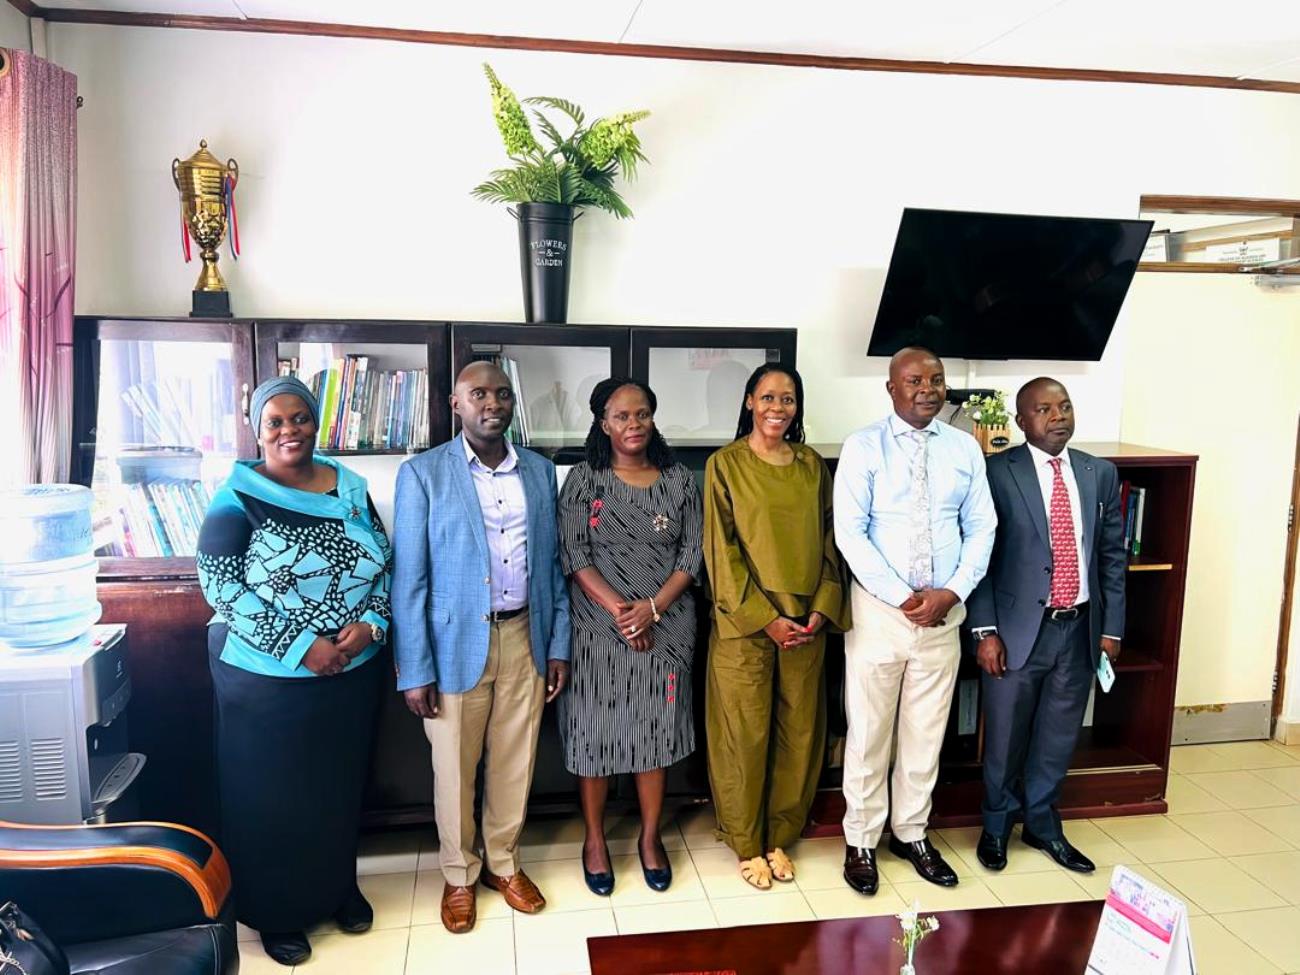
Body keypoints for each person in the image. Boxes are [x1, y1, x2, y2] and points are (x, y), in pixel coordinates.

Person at [196, 375, 391, 967]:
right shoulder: (237, 499)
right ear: (258, 431)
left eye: (300, 418)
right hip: (267, 680)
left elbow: (384, 566)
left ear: (316, 422)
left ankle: (336, 890)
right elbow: (221, 588)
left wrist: (372, 626)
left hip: (352, 671)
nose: (290, 431)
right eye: (275, 422)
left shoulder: (350, 488)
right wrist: (303, 647)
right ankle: (278, 912)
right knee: (272, 799)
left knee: (336, 788)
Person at [391, 361, 570, 935]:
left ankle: (503, 864)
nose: (491, 402)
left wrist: (558, 645)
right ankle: (458, 875)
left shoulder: (541, 473)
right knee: (454, 770)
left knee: (515, 763)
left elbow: (555, 570)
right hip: (450, 647)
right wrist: (414, 668)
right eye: (478, 394)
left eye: (501, 393)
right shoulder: (423, 474)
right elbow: (409, 580)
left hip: (525, 636)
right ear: (455, 404)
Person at [833, 347, 996, 896]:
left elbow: (983, 527)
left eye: (936, 379)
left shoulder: (963, 449)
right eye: (914, 380)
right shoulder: (863, 447)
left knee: (926, 733)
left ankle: (912, 832)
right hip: (881, 614)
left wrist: (950, 592)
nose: (927, 388)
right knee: (870, 730)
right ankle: (860, 838)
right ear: (891, 388)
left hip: (944, 615)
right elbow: (850, 534)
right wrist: (905, 597)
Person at [967, 377, 1125, 873]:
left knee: (1058, 734)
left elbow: (1111, 557)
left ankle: (1041, 824)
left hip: (1077, 628)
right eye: (1043, 409)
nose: (1058, 416)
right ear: (1021, 421)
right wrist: (984, 630)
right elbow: (980, 560)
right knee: (1006, 737)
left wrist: (1112, 629)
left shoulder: (1098, 473)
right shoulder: (996, 472)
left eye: (1065, 406)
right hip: (1015, 632)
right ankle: (996, 828)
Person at [703, 363, 850, 890]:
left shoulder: (812, 466)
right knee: (744, 734)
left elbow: (834, 543)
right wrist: (766, 621)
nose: (777, 408)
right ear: (748, 402)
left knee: (800, 733)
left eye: (788, 399)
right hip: (747, 628)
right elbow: (721, 554)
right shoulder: (725, 465)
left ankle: (777, 837)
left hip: (805, 626)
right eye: (767, 397)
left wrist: (821, 608)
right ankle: (746, 842)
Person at [557, 378, 703, 896]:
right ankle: (594, 839)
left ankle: (648, 837)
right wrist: (624, 613)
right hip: (599, 628)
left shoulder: (680, 481)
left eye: (641, 414)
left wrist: (653, 610)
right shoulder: (584, 480)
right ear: (603, 423)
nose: (633, 425)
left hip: (667, 628)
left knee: (656, 733)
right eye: (622, 416)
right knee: (594, 732)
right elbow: (575, 555)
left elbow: (692, 554)